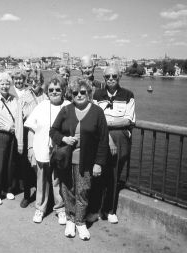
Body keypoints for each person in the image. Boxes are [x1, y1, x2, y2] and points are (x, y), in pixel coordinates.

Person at [50, 79, 109, 240]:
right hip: (67, 160)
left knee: (83, 191)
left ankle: (80, 221)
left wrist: (99, 163)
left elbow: (103, 140)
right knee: (67, 190)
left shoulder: (97, 112)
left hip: (87, 161)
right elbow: (53, 131)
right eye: (75, 93)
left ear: (89, 93)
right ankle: (70, 219)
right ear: (71, 94)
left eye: (83, 92)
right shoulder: (66, 110)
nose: (79, 95)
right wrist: (64, 139)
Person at [93, 66, 136, 224]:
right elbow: (95, 119)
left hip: (119, 138)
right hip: (103, 138)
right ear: (104, 78)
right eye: (108, 76)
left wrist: (107, 123)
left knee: (113, 173)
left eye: (114, 76)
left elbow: (128, 120)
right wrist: (107, 126)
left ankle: (110, 209)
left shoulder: (128, 95)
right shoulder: (97, 95)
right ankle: (97, 208)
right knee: (98, 174)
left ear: (120, 77)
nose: (111, 79)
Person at [24, 75, 69, 224]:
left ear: (63, 90)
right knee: (41, 181)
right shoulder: (41, 105)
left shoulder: (69, 106)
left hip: (60, 151)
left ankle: (60, 208)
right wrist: (30, 148)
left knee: (58, 180)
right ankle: (40, 208)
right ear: (47, 91)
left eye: (58, 89)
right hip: (41, 149)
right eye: (51, 89)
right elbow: (31, 128)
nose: (54, 92)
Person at [0, 72, 23, 205]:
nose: (5, 86)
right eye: (2, 83)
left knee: (10, 163)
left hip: (12, 135)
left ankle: (8, 189)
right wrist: (8, 127)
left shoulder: (14, 99)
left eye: (7, 83)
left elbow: (19, 118)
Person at [17, 68, 47, 208]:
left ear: (41, 82)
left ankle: (43, 194)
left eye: (37, 81)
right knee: (26, 166)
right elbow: (19, 120)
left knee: (41, 164)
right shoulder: (23, 97)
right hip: (27, 132)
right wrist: (20, 141)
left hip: (41, 134)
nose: (34, 84)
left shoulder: (45, 96)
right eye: (31, 81)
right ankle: (27, 195)